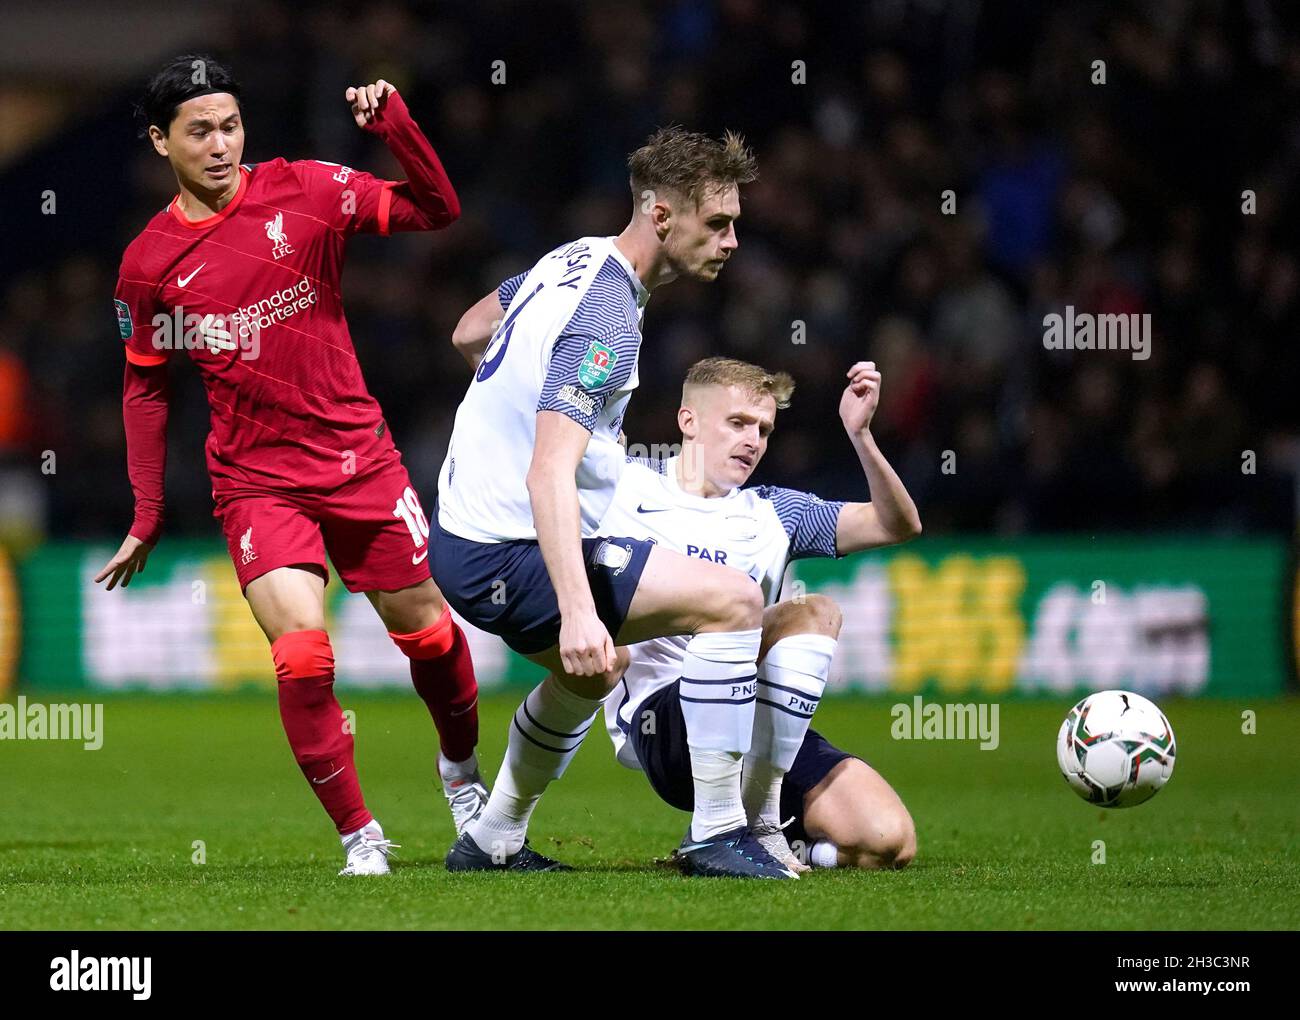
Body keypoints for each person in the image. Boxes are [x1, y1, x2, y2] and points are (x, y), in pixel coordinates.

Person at [96, 54, 480, 876]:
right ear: (162, 142)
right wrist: (147, 512)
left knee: (430, 637)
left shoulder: (307, 188)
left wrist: (396, 130)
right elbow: (145, 388)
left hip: (360, 460)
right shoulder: (148, 263)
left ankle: (461, 773)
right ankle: (359, 835)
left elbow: (437, 209)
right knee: (302, 655)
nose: (220, 144)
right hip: (257, 481)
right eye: (198, 131)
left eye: (230, 125)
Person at [435, 127, 790, 875]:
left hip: (463, 541)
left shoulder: (571, 257)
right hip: (508, 546)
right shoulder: (606, 322)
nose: (731, 240)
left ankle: (492, 839)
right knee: (732, 599)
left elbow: (471, 330)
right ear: (663, 216)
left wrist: (515, 401)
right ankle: (720, 833)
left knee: (598, 671)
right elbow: (546, 474)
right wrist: (576, 609)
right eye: (717, 223)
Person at [599, 357, 920, 874]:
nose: (753, 441)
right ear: (689, 421)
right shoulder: (622, 487)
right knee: (812, 612)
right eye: (738, 424)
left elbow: (896, 524)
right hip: (668, 724)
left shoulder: (774, 512)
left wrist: (860, 436)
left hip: (755, 725)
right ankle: (762, 825)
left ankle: (756, 837)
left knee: (886, 841)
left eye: (764, 429)